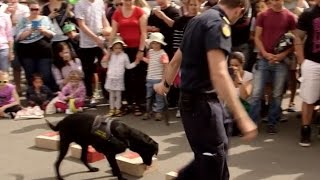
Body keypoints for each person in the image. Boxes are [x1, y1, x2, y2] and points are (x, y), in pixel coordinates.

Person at [154, 0, 257, 179]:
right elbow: (219, 73)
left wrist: (165, 85)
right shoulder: (218, 24)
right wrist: (242, 116)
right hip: (203, 105)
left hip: (194, 103)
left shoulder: (197, 21)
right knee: (214, 161)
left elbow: (175, 61)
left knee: (214, 155)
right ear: (240, 10)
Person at [109, 0, 148, 116]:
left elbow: (144, 33)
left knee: (139, 77)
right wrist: (109, 50)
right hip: (123, 50)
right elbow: (113, 32)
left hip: (138, 48)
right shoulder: (117, 13)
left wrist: (141, 50)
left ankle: (139, 104)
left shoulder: (139, 11)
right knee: (125, 77)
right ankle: (128, 103)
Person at [293, 0, 320, 147]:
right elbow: (298, 36)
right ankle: (305, 129)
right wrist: (301, 60)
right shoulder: (309, 13)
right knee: (309, 98)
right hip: (312, 62)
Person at [15, 0, 57, 90]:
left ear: (40, 9)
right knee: (30, 75)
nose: (34, 11)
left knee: (45, 75)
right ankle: (33, 96)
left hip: (44, 52)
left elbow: (52, 34)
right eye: (32, 9)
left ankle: (46, 95)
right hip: (27, 52)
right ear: (29, 9)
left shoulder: (45, 19)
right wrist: (30, 31)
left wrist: (44, 30)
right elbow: (18, 37)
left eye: (36, 9)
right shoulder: (23, 20)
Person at [102, 36, 140, 117]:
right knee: (111, 95)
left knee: (118, 95)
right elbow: (105, 66)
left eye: (119, 48)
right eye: (116, 48)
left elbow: (128, 66)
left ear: (122, 48)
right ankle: (112, 109)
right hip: (111, 77)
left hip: (119, 79)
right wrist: (104, 60)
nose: (118, 50)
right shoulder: (110, 55)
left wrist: (136, 63)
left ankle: (118, 109)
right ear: (112, 48)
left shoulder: (124, 56)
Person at [142, 32, 169, 121]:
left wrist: (163, 79)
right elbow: (150, 61)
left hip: (158, 78)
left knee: (159, 96)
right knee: (149, 96)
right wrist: (142, 58)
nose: (155, 45)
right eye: (153, 43)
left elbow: (166, 66)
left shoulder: (163, 54)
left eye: (157, 43)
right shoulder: (150, 52)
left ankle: (158, 112)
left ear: (161, 44)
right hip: (149, 78)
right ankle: (148, 111)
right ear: (151, 44)